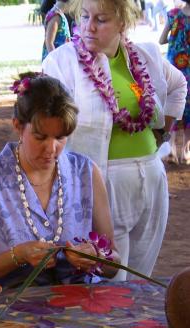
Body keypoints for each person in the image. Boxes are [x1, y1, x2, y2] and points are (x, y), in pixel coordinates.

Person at [42, 0, 187, 280]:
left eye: (101, 19)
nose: (89, 27)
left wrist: (163, 133)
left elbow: (178, 85)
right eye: (84, 17)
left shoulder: (146, 56)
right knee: (109, 281)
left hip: (152, 178)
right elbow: (47, 123)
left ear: (122, 23)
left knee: (140, 279)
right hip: (101, 184)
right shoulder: (62, 62)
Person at [0, 72, 120, 289]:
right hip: (12, 308)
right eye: (40, 137)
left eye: (60, 138)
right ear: (18, 126)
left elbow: (113, 263)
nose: (51, 149)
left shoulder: (86, 172)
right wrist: (17, 256)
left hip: (81, 300)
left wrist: (96, 256)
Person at [159, 0, 190, 164]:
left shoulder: (173, 15)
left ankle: (170, 149)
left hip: (175, 70)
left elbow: (162, 40)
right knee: (189, 110)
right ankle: (185, 152)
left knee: (171, 106)